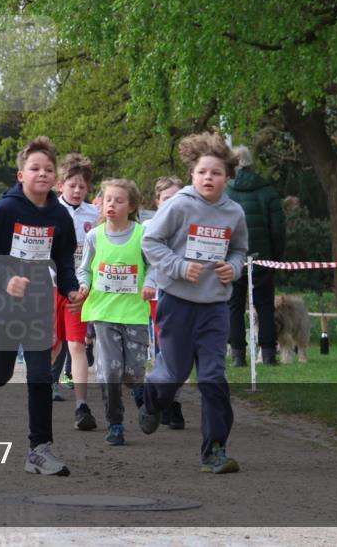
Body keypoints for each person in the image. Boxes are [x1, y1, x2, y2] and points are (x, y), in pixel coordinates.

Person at [0, 136, 82, 476]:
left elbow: (63, 259)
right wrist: (5, 277)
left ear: (55, 176)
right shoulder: (4, 210)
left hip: (39, 301)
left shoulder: (59, 215)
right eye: (34, 168)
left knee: (41, 376)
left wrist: (70, 289)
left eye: (48, 169)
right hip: (2, 303)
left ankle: (39, 450)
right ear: (20, 175)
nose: (42, 173)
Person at [138, 130, 248, 474]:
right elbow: (151, 242)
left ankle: (214, 450)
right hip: (178, 302)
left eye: (216, 173)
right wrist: (180, 267)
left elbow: (240, 250)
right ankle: (151, 397)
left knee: (213, 376)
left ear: (228, 178)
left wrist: (234, 268)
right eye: (202, 172)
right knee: (173, 373)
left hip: (215, 306)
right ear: (192, 175)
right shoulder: (179, 205)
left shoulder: (235, 213)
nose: (208, 178)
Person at [77, 179, 151, 446]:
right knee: (110, 372)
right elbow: (84, 268)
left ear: (131, 206)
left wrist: (151, 284)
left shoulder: (143, 234)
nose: (112, 204)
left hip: (134, 313)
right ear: (100, 203)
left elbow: (154, 266)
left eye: (119, 200)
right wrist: (84, 284)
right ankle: (115, 424)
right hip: (103, 312)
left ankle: (143, 395)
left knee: (132, 372)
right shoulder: (94, 236)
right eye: (108, 199)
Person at [226, 146, 287, 367]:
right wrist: (275, 257)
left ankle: (237, 355)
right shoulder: (267, 190)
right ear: (251, 165)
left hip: (232, 258)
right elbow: (278, 228)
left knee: (234, 306)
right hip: (262, 258)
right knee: (264, 306)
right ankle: (269, 353)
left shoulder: (225, 191)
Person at [52, 153, 100, 431]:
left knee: (77, 345)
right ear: (61, 185)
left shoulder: (94, 216)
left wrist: (88, 283)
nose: (78, 191)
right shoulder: (48, 210)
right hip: (50, 286)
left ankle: (82, 405)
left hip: (78, 289)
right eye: (72, 186)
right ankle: (41, 391)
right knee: (52, 344)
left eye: (82, 187)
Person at [138, 175, 186, 430]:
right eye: (167, 198)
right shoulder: (148, 229)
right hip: (155, 297)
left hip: (185, 295)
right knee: (163, 350)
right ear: (157, 201)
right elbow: (142, 263)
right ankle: (164, 400)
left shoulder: (189, 226)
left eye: (177, 198)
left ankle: (169, 399)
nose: (172, 203)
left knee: (180, 352)